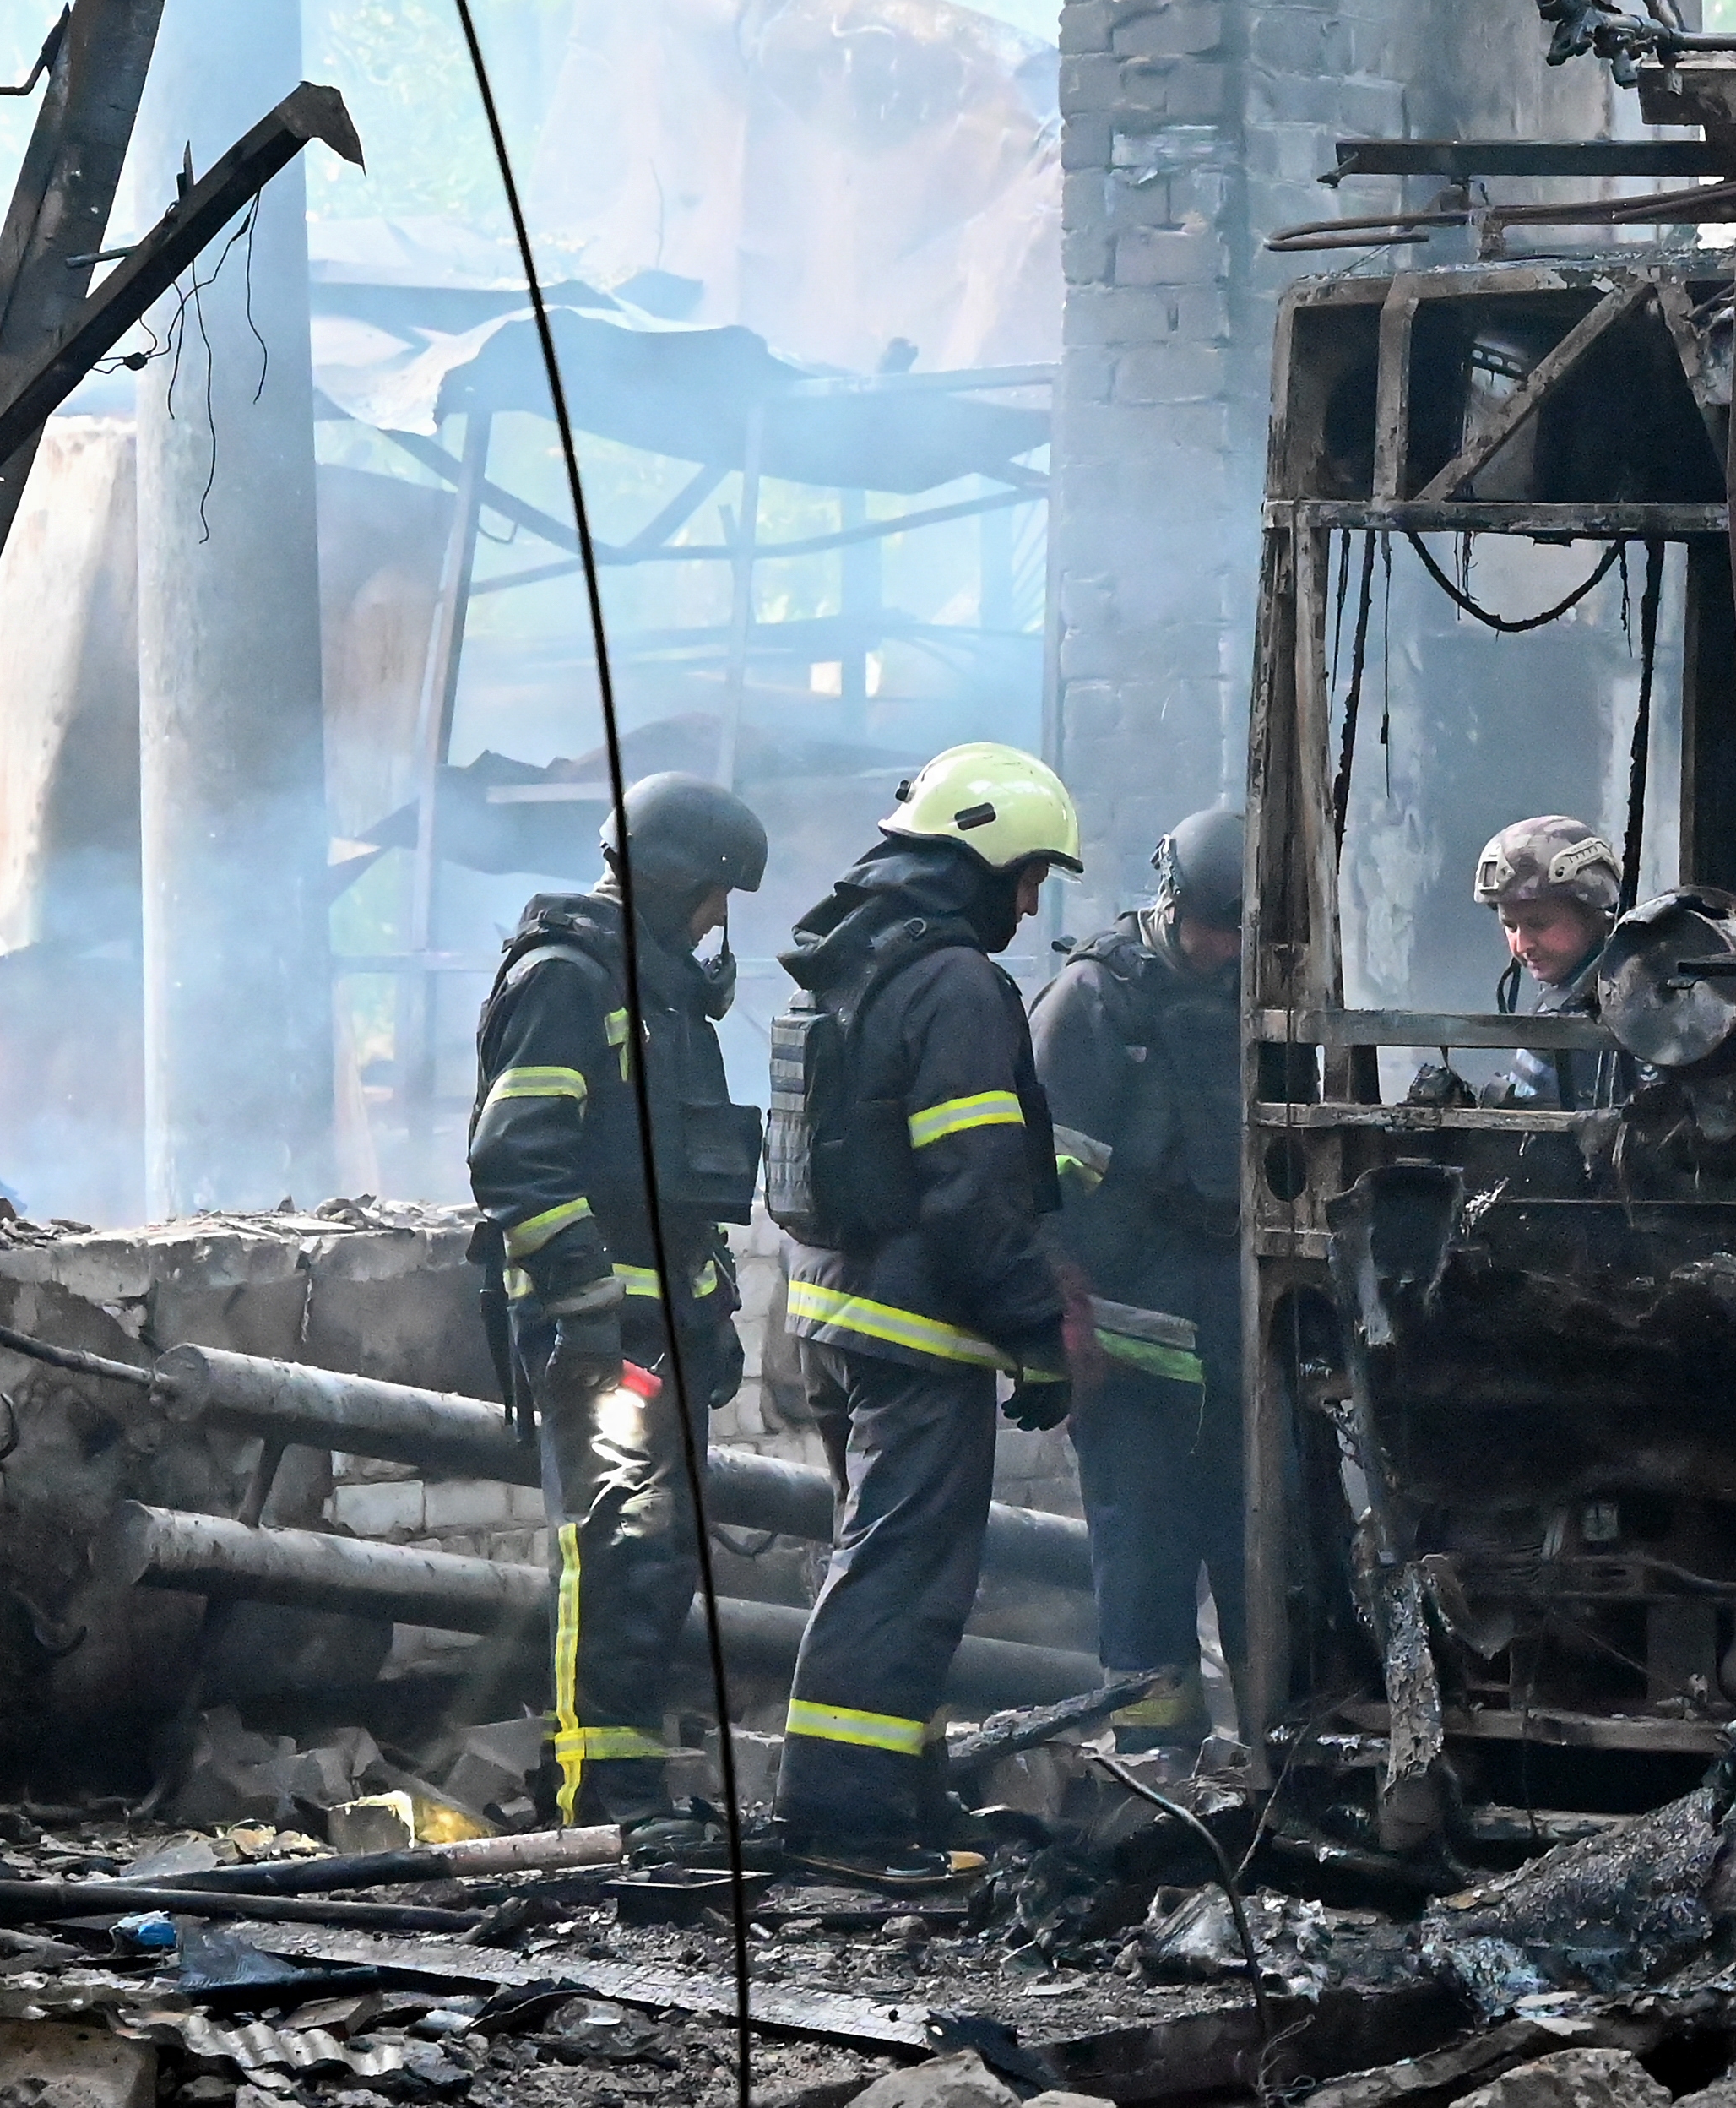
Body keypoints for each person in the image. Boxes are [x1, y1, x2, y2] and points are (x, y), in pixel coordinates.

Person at [769, 740, 1093, 1870]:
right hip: (913, 1325)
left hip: (832, 1310)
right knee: (900, 1575)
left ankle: (901, 1800)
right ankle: (843, 1823)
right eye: (1028, 874)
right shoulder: (955, 983)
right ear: (980, 859)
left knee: (889, 1570)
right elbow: (973, 1196)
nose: (1032, 900)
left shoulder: (863, 964)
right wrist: (1035, 1335)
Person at [465, 773, 771, 1826]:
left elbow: (677, 1196)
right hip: (596, 1335)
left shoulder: (663, 1000)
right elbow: (517, 1158)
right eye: (715, 897)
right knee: (609, 1558)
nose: (720, 922)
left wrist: (711, 1311)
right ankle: (600, 1800)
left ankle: (632, 1785)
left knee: (658, 1563)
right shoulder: (566, 979)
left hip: (660, 1330)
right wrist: (586, 1308)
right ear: (676, 880)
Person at [1031, 803, 1250, 1752]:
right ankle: (1157, 1770)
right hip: (1127, 1355)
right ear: (1173, 902)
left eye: (1244, 930)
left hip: (1241, 1352)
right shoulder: (1091, 1003)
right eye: (1215, 925)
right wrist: (1065, 1324)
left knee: (1262, 1563)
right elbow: (1035, 1186)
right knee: (1144, 1563)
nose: (1226, 948)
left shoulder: (1267, 992)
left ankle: (1291, 1756)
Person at [1476, 812, 1636, 1113]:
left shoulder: (1635, 1008)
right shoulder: (1567, 998)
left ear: (1595, 909)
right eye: (1511, 927)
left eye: (1538, 924)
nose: (1521, 946)